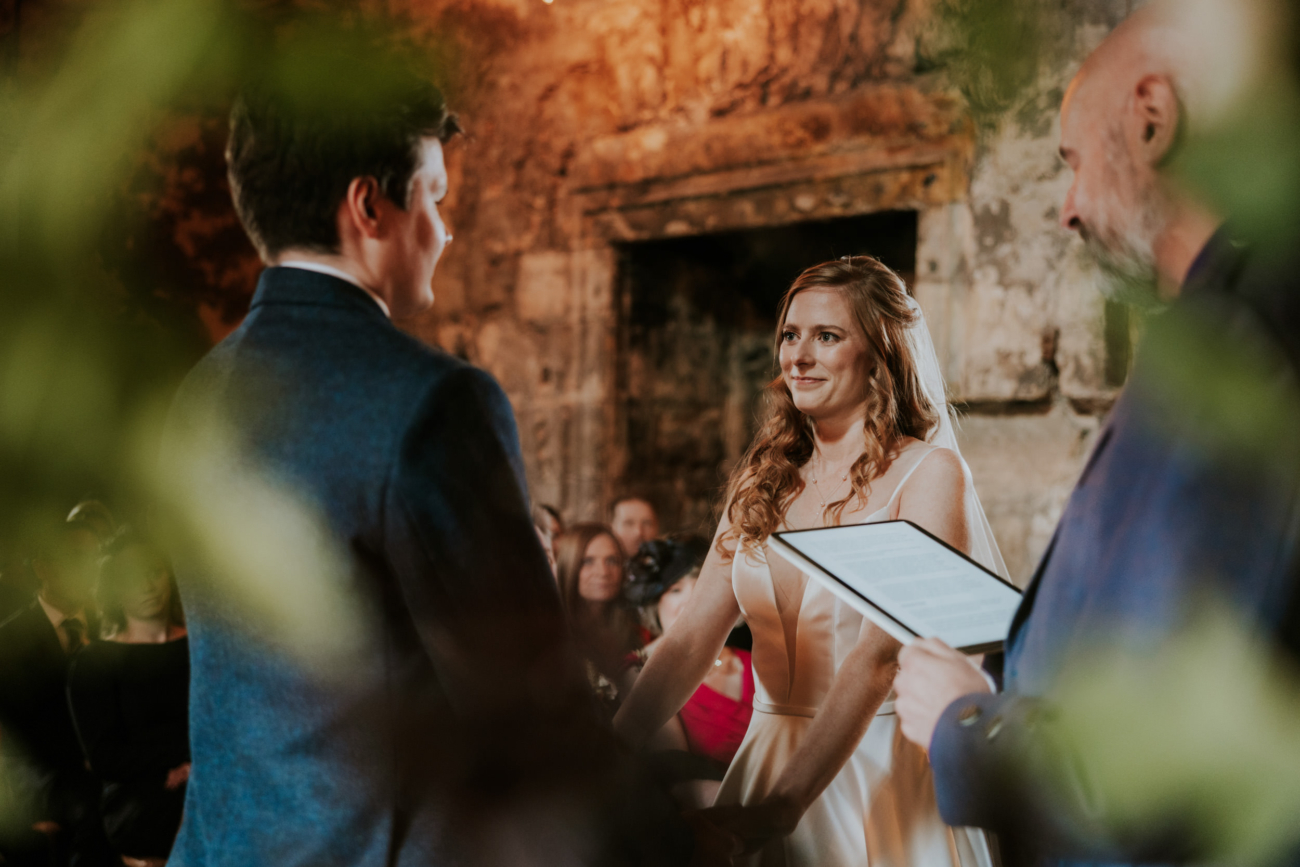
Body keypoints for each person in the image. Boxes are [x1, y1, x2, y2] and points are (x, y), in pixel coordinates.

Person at [158, 31, 697, 867]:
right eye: (435, 198)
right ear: (370, 207)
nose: (443, 231)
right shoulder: (431, 401)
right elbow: (530, 713)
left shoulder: (196, 395)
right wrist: (683, 843)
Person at [892, 4, 1300, 866]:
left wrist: (966, 722)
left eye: (1073, 163)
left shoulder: (1236, 340)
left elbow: (1165, 770)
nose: (1070, 210)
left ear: (1151, 116)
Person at [615, 256, 1004, 867]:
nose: (799, 356)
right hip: (765, 754)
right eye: (791, 335)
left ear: (878, 353)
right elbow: (691, 636)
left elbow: (878, 658)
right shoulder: (761, 479)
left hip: (872, 771)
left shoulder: (928, 474)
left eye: (827, 336)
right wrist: (605, 756)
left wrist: (781, 808)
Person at [67, 531, 189, 866]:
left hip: (208, 774)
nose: (147, 587)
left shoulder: (201, 647)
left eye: (154, 573)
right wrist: (180, 761)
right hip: (141, 793)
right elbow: (105, 757)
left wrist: (194, 765)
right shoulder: (95, 662)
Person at [0, 517, 113, 867]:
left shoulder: (114, 624)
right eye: (76, 558)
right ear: (43, 567)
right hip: (40, 775)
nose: (90, 570)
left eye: (95, 558)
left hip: (112, 764)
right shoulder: (9, 640)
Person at [624, 538, 755, 809]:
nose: (689, 602)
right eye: (675, 589)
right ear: (654, 601)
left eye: (700, 588)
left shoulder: (755, 662)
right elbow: (678, 774)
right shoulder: (639, 671)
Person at [554, 523, 646, 691]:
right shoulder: (555, 633)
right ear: (569, 565)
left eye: (612, 561)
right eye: (588, 561)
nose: (603, 572)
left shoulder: (633, 631)